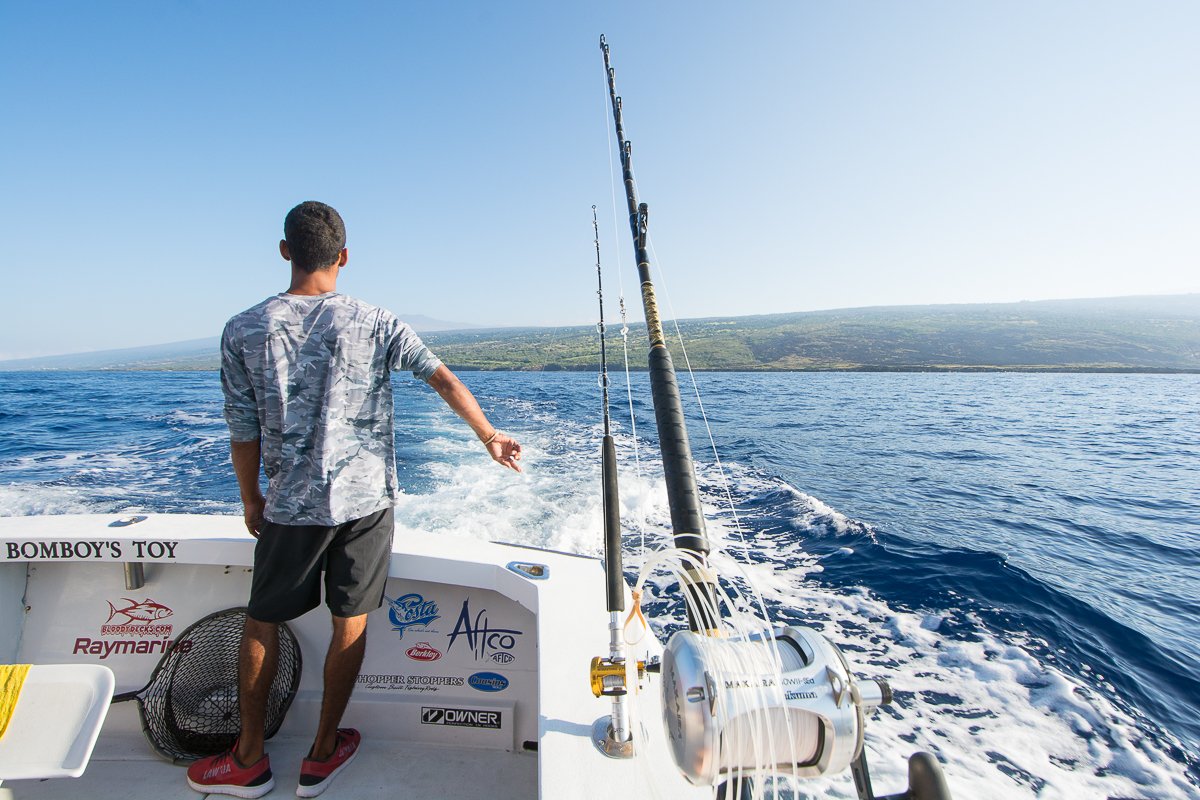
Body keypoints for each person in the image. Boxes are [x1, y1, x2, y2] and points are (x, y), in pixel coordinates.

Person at [187, 201, 522, 798]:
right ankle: (320, 754)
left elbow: (243, 429)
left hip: (289, 505)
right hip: (366, 504)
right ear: (343, 256)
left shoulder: (242, 328)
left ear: (285, 251)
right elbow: (443, 378)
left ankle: (248, 759)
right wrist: (490, 437)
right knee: (351, 620)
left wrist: (250, 500)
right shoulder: (376, 320)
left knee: (262, 620)